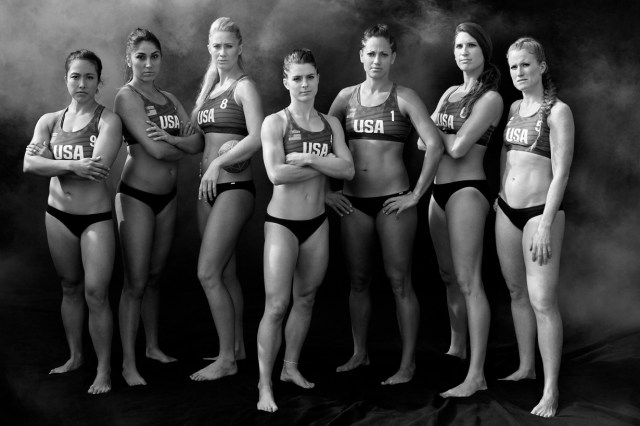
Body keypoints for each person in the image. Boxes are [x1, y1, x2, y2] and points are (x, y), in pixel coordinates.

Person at [326, 24, 443, 385]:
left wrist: (417, 194)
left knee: (399, 282)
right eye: (371, 53)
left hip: (394, 203)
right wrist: (327, 191)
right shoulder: (345, 98)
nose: (376, 60)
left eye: (383, 54)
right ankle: (359, 353)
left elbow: (435, 144)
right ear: (361, 56)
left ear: (393, 57)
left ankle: (407, 365)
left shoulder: (404, 97)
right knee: (358, 281)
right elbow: (320, 141)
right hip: (353, 203)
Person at [257, 48, 354, 412]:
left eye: (309, 77)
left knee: (306, 298)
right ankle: (264, 385)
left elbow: (348, 170)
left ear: (318, 79)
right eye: (296, 78)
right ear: (286, 82)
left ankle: (290, 368)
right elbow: (276, 174)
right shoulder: (275, 123)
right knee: (276, 305)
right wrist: (327, 164)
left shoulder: (331, 124)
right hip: (282, 224)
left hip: (317, 223)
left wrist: (310, 158)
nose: (303, 84)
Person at [23, 49, 122, 394]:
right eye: (75, 76)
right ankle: (76, 356)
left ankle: (104, 369)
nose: (82, 83)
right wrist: (73, 165)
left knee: (96, 293)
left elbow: (98, 169)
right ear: (65, 79)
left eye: (89, 77)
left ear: (99, 81)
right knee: (69, 286)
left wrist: (52, 160)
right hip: (58, 216)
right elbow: (29, 165)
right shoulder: (49, 121)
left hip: (95, 219)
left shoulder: (108, 121)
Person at [418, 23, 503, 397]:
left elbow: (455, 149)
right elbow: (422, 144)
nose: (464, 52)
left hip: (467, 190)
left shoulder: (491, 99)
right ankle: (458, 348)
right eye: (458, 46)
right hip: (439, 192)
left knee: (470, 281)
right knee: (447, 275)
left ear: (484, 52)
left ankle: (476, 376)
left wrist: (433, 132)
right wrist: (436, 137)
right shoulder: (450, 93)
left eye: (471, 46)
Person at [114, 28, 202, 386]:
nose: (148, 64)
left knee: (154, 278)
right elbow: (157, 150)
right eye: (141, 57)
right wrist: (179, 142)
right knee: (135, 282)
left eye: (154, 56)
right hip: (137, 196)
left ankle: (152, 347)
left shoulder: (168, 97)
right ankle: (128, 364)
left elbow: (199, 141)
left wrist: (175, 141)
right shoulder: (126, 97)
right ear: (129, 59)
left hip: (168, 197)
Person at [496, 37, 574, 417]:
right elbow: (507, 155)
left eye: (526, 64)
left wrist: (545, 223)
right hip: (507, 211)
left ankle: (550, 389)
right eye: (513, 66)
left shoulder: (557, 111)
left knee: (542, 301)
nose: (519, 72)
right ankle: (526, 367)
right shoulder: (514, 107)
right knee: (516, 292)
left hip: (540, 213)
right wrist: (499, 194)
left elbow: (561, 172)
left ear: (541, 67)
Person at [188, 17, 264, 381]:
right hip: (206, 190)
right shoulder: (210, 89)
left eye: (228, 46)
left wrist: (218, 163)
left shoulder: (244, 87)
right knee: (225, 272)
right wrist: (171, 141)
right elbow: (199, 141)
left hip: (234, 188)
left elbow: (258, 136)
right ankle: (236, 348)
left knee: (207, 272)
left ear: (239, 48)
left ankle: (225, 360)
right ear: (209, 47)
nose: (222, 52)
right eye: (216, 46)